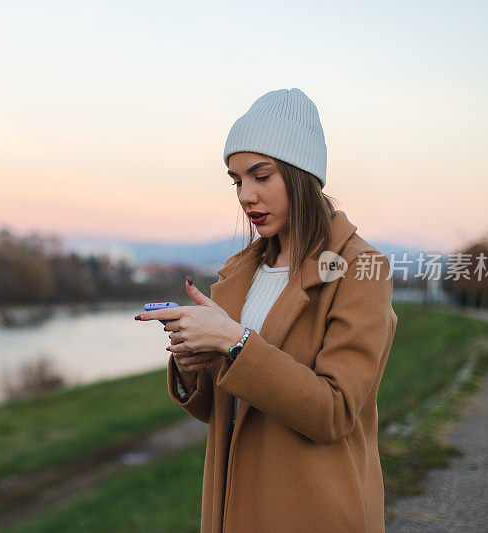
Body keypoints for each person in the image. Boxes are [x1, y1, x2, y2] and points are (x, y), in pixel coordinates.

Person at [135, 88, 398, 532]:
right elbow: (222, 410)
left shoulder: (360, 268)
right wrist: (191, 361)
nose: (245, 195)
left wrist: (234, 342)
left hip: (314, 509)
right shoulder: (239, 272)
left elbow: (334, 412)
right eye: (237, 180)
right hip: (232, 507)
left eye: (261, 175)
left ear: (302, 174)